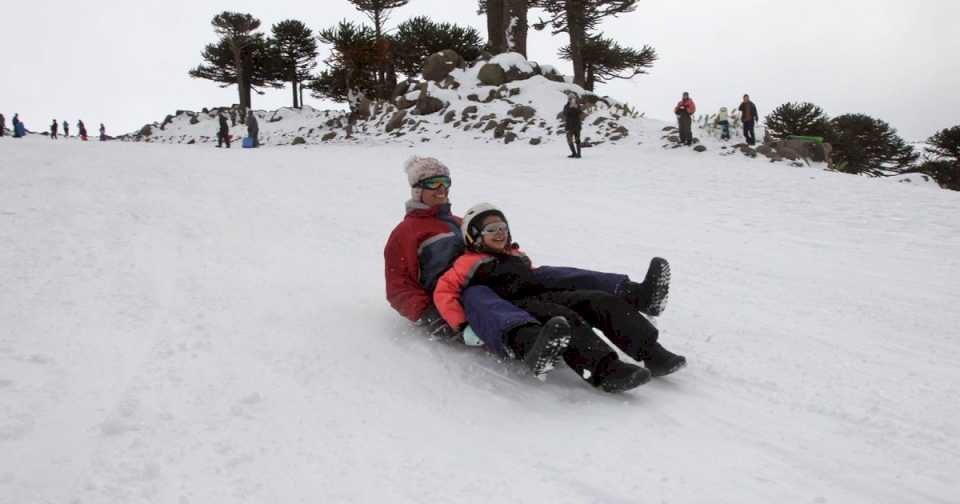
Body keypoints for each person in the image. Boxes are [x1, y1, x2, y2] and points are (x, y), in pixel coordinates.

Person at [384, 157, 675, 379]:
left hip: (497, 276)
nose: (441, 190)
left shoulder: (460, 221)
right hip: (460, 295)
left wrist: (517, 262)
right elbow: (398, 287)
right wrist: (431, 315)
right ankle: (529, 341)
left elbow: (485, 245)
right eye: (433, 184)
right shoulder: (406, 233)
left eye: (445, 183)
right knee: (487, 297)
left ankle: (635, 294)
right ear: (417, 190)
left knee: (557, 277)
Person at [433, 204, 686, 393]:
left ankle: (652, 352)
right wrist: (463, 326)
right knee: (565, 318)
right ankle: (605, 370)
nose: (500, 233)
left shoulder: (515, 255)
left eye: (503, 227)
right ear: (473, 236)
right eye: (491, 229)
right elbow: (444, 293)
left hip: (539, 294)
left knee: (597, 300)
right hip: (514, 308)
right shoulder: (466, 264)